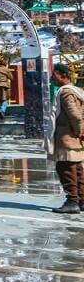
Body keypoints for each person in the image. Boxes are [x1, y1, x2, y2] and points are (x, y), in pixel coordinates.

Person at [51, 62, 84, 213]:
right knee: (77, 170)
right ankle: (82, 200)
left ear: (62, 75)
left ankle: (72, 201)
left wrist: (79, 131)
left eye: (54, 74)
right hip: (75, 139)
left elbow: (75, 115)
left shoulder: (66, 92)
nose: (52, 77)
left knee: (66, 169)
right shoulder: (78, 91)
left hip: (67, 138)